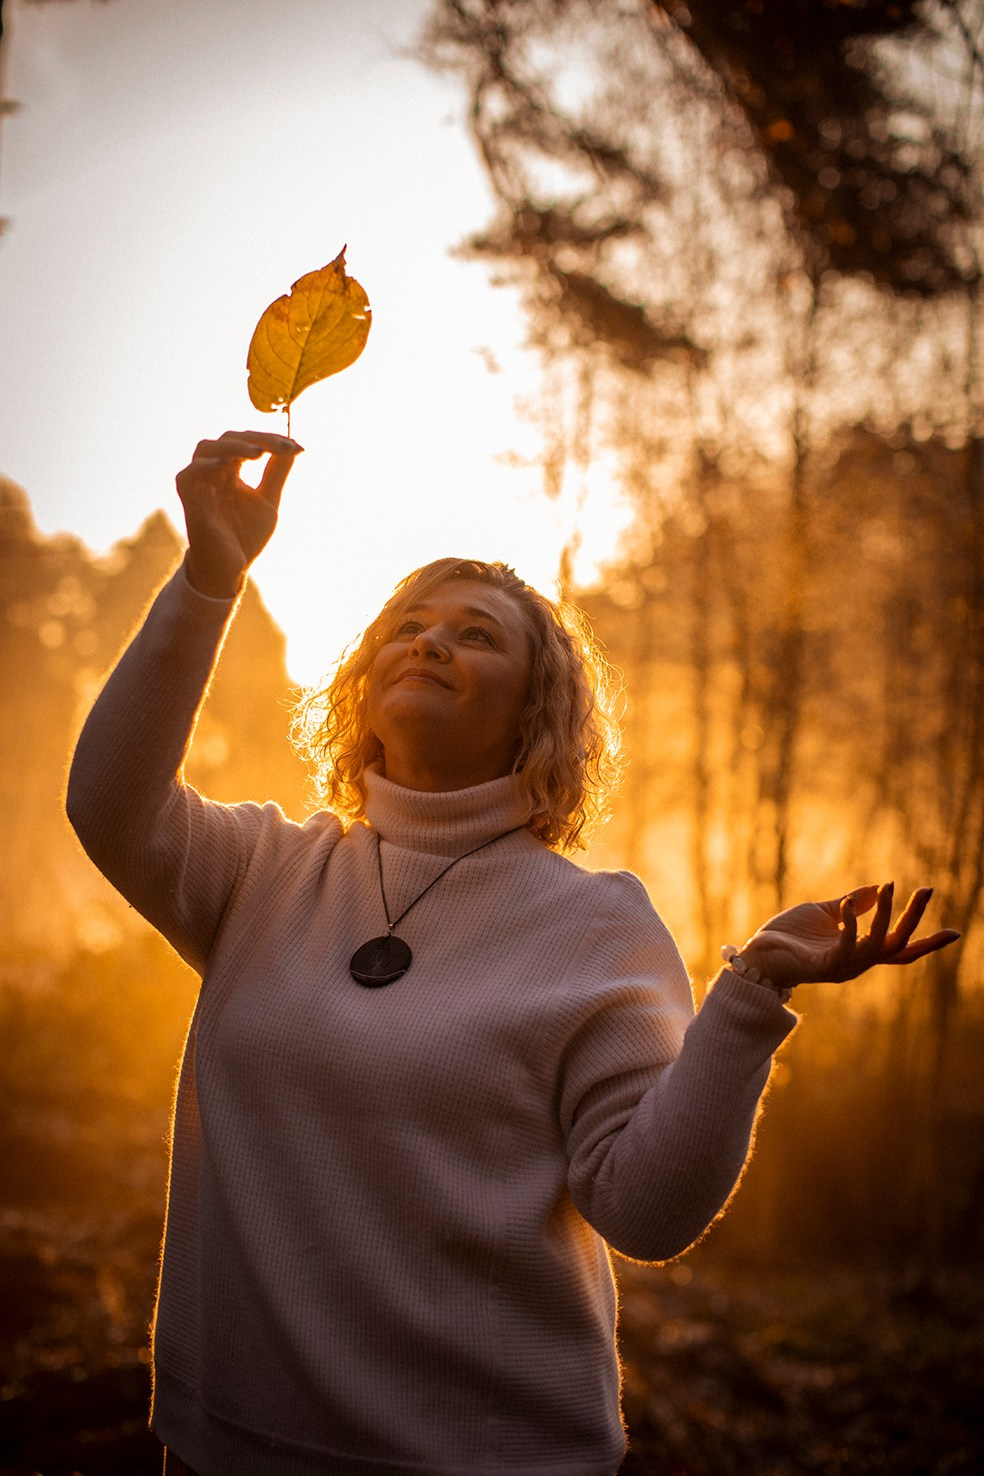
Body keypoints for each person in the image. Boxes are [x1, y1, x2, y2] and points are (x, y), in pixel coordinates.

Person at [66, 431, 958, 1476]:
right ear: (364, 681)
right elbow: (110, 801)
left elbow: (647, 1209)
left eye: (476, 636)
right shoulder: (264, 871)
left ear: (536, 709)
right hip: (224, 1450)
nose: (431, 643)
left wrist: (753, 991)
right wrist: (210, 575)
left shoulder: (594, 925)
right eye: (410, 626)